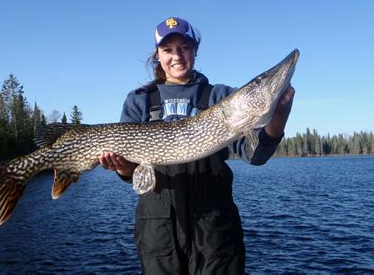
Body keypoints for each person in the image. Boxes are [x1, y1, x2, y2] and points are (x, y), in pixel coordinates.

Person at [99, 17, 295, 274]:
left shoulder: (220, 97)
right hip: (159, 228)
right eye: (168, 50)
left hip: (214, 227)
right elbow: (131, 173)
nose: (177, 56)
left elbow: (255, 156)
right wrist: (122, 168)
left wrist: (279, 115)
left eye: (184, 47)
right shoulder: (140, 101)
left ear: (195, 51)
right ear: (158, 55)